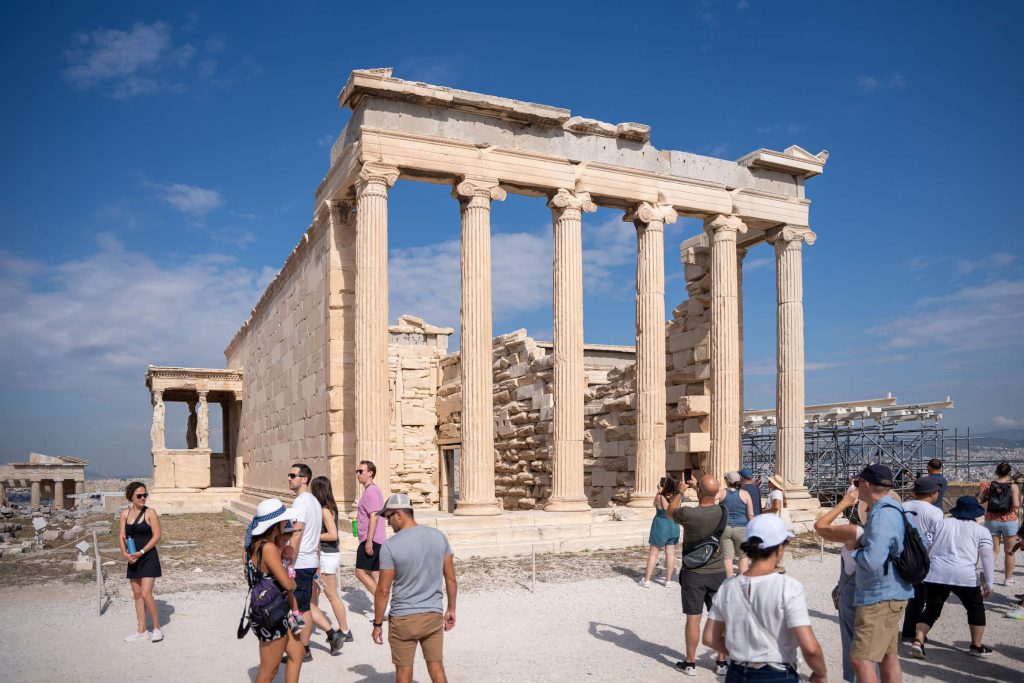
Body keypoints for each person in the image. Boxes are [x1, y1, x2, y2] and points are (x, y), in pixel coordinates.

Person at [704, 513, 828, 683]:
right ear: (779, 548)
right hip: (776, 674)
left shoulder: (728, 586)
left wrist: (741, 653)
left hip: (737, 672)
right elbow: (810, 647)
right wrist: (820, 674)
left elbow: (710, 637)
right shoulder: (788, 587)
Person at [372, 493, 457, 683]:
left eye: (388, 517)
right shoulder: (438, 537)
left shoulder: (390, 546)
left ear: (399, 514)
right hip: (432, 615)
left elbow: (383, 590)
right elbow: (450, 578)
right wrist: (451, 608)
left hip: (403, 618)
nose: (387, 522)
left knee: (403, 673)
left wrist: (377, 624)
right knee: (437, 668)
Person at [849, 464, 914, 683]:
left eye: (858, 483)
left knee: (861, 659)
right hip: (894, 590)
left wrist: (855, 551)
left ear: (866, 485)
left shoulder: (881, 515)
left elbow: (873, 560)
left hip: (879, 595)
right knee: (888, 655)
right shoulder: (896, 509)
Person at [910, 496, 995, 658]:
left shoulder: (940, 524)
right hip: (965, 575)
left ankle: (918, 641)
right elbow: (987, 557)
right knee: (975, 608)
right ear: (975, 513)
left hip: (936, 573)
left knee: (932, 608)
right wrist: (989, 582)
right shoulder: (982, 531)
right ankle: (976, 646)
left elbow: (925, 546)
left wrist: (922, 570)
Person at [667, 475, 729, 676]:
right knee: (719, 618)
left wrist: (680, 491)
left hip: (694, 573)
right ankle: (721, 662)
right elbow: (717, 493)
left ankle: (690, 663)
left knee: (693, 619)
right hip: (718, 571)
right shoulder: (723, 511)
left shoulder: (688, 514)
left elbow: (670, 511)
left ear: (698, 492)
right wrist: (699, 487)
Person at [814, 483, 870, 683]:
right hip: (882, 595)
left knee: (854, 646)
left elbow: (821, 526)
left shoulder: (856, 533)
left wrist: (844, 504)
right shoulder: (894, 532)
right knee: (878, 651)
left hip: (854, 595)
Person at [244, 498, 305, 683]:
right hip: (271, 612)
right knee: (269, 670)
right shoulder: (268, 548)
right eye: (283, 522)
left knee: (297, 653)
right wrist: (292, 582)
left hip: (273, 608)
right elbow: (288, 584)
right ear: (276, 524)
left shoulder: (253, 545)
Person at [309, 476, 352, 654]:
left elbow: (333, 535)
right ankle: (311, 622)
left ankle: (345, 630)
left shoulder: (325, 510)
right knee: (314, 593)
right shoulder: (329, 508)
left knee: (332, 595)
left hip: (326, 555)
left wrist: (312, 536)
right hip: (326, 555)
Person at [900, 476, 945, 642]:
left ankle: (902, 630)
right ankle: (911, 632)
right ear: (933, 493)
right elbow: (937, 538)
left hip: (902, 554)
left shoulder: (902, 506)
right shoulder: (935, 512)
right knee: (918, 597)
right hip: (923, 557)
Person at [286, 463, 321, 663]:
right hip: (309, 560)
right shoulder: (314, 502)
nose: (289, 478)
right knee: (305, 606)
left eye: (293, 475)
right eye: (289, 475)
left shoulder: (300, 503)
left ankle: (297, 650)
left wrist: (288, 559)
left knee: (295, 606)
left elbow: (297, 533)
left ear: (304, 479)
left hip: (300, 562)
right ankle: (304, 648)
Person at [119, 481, 163, 643]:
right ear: (131, 496)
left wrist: (142, 552)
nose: (143, 498)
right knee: (137, 595)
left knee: (146, 593)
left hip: (148, 556)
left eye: (145, 495)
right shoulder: (124, 514)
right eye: (139, 495)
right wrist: (124, 553)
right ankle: (142, 629)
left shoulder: (150, 513)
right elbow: (121, 536)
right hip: (132, 558)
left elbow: (157, 536)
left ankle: (157, 628)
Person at [978, 461, 1021, 586]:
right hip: (1009, 521)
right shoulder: (1013, 487)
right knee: (1010, 551)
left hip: (991, 520)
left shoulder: (988, 485)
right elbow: (1016, 505)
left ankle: (987, 576)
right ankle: (1008, 579)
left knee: (994, 550)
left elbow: (980, 500)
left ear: (997, 472)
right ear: (1010, 473)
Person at [356, 460, 388, 597]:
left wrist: (368, 540)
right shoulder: (372, 490)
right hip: (376, 539)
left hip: (372, 539)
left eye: (361, 471)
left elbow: (374, 516)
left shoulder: (371, 492)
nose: (358, 474)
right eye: (357, 471)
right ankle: (385, 607)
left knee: (360, 572)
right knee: (375, 573)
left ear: (370, 473)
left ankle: (383, 602)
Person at [642, 475, 680, 587]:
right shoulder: (678, 496)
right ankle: (668, 581)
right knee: (670, 553)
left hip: (661, 524)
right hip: (673, 524)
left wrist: (659, 492)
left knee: (654, 553)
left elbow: (654, 504)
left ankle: (647, 580)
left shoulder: (660, 497)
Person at [721, 471, 755, 578]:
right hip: (742, 528)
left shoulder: (721, 492)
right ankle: (741, 580)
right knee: (743, 556)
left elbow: (710, 502)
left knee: (727, 557)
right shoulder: (745, 494)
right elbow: (750, 514)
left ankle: (729, 581)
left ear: (727, 481)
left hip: (725, 527)